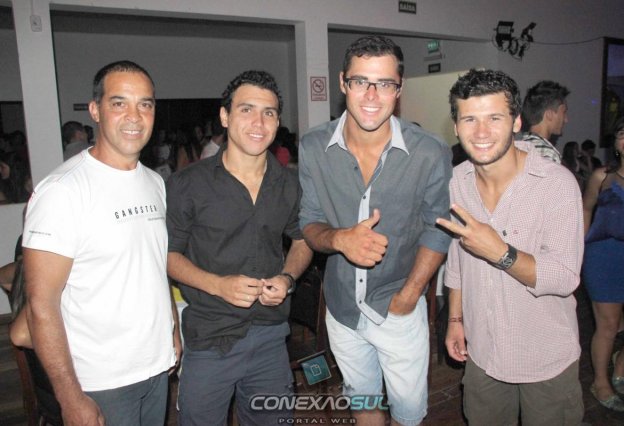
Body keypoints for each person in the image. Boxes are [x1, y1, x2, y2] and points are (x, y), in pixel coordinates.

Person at [298, 35, 452, 426]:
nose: (371, 95)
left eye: (384, 83)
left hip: (398, 307)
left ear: (399, 89)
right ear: (342, 83)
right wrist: (339, 239)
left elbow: (438, 228)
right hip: (342, 310)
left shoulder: (430, 151)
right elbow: (309, 221)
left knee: (408, 414)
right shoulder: (314, 146)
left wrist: (409, 295)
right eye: (360, 81)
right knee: (363, 404)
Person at [22, 60, 181, 426]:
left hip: (155, 366)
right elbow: (40, 305)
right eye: (119, 103)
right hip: (100, 380)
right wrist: (69, 396)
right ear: (95, 110)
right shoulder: (63, 191)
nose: (134, 116)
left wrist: (171, 328)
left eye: (145, 104)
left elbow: (155, 267)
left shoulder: (154, 182)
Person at [166, 70, 313, 426]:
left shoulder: (289, 183)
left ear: (277, 121)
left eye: (269, 113)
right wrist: (218, 285)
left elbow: (302, 239)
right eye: (246, 110)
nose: (258, 123)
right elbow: (167, 256)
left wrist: (287, 278)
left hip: (270, 336)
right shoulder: (188, 184)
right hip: (210, 337)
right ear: (225, 116)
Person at [438, 69, 584, 425]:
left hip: (544, 357)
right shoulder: (457, 181)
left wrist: (501, 253)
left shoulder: (556, 184)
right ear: (456, 127)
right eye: (469, 119)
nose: (481, 132)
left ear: (516, 121)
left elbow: (564, 277)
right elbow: (457, 259)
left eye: (494, 118)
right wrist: (455, 319)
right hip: (483, 352)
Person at [582, 107, 624, 412]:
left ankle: (622, 361)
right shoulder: (601, 176)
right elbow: (586, 208)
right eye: (622, 133)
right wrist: (580, 249)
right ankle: (600, 381)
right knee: (607, 326)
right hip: (603, 257)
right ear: (615, 141)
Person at [520, 80, 570, 163]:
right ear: (549, 114)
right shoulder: (547, 155)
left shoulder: (519, 149)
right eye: (564, 112)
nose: (566, 119)